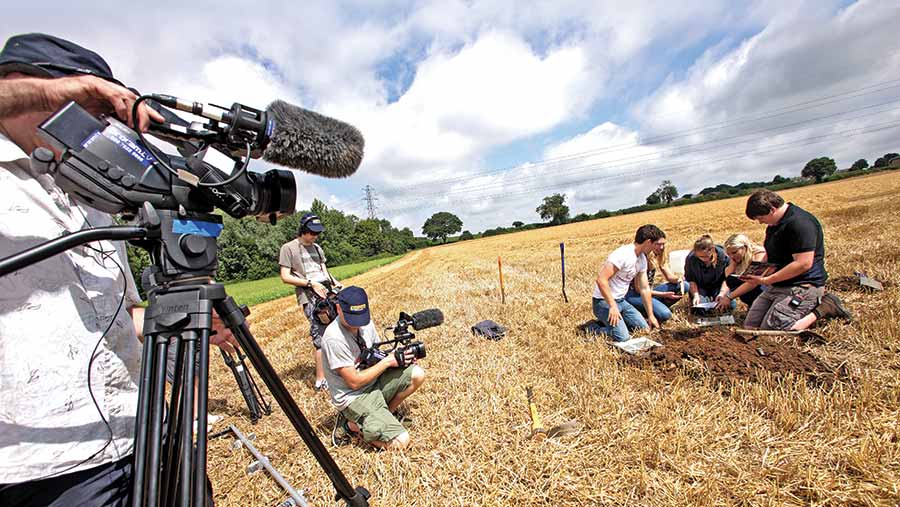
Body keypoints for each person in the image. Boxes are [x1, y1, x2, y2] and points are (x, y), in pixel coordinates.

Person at [0, 33, 237, 506]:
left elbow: (124, 312)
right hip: (50, 467)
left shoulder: (93, 197)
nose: (99, 127)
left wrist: (188, 317)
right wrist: (63, 91)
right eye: (89, 110)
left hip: (145, 428)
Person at [321, 286, 425, 450]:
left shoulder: (365, 322)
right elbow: (354, 382)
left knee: (417, 374)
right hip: (354, 396)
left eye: (361, 317)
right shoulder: (334, 338)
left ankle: (384, 415)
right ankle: (349, 425)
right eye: (353, 318)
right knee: (401, 442)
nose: (358, 323)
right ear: (338, 308)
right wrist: (387, 362)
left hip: (374, 382)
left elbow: (377, 354)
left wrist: (399, 360)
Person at [741, 189, 851, 330]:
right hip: (777, 285)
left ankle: (826, 307)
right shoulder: (774, 225)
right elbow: (772, 254)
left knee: (772, 332)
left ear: (772, 209)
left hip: (802, 286)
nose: (760, 222)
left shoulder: (800, 224)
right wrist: (757, 271)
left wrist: (767, 280)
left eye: (760, 218)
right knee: (749, 327)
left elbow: (803, 264)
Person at [279, 213, 342, 391]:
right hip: (310, 295)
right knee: (320, 334)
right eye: (312, 232)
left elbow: (324, 271)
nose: (315, 236)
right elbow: (285, 277)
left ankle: (338, 368)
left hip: (326, 292)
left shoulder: (317, 248)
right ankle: (321, 380)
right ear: (303, 230)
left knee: (337, 329)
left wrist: (335, 283)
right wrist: (310, 283)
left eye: (318, 233)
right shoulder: (288, 248)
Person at [590, 224, 667, 341]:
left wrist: (651, 315)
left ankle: (616, 324)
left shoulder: (642, 259)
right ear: (648, 242)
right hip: (603, 302)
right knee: (623, 338)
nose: (659, 248)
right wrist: (612, 306)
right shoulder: (623, 255)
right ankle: (593, 328)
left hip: (621, 301)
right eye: (656, 244)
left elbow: (644, 288)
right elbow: (601, 280)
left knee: (643, 329)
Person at [623, 241, 687, 323]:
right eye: (658, 244)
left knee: (685, 285)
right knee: (665, 314)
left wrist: (679, 279)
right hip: (634, 295)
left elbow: (669, 277)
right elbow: (639, 289)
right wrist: (663, 294)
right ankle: (643, 311)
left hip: (648, 291)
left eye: (663, 244)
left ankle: (653, 308)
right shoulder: (641, 258)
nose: (661, 247)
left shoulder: (659, 255)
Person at [714, 233, 767, 310]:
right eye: (729, 254)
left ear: (744, 247)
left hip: (767, 290)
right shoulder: (736, 258)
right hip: (755, 292)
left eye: (734, 252)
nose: (732, 256)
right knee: (732, 280)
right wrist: (733, 264)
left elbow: (752, 282)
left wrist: (729, 297)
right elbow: (727, 278)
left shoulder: (759, 255)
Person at [684, 235, 735, 311]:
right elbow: (691, 279)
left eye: (706, 256)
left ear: (712, 250)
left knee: (730, 305)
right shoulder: (691, 258)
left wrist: (722, 293)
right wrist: (696, 295)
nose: (703, 259)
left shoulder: (723, 256)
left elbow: (727, 278)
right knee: (699, 308)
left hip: (719, 286)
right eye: (700, 257)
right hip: (700, 287)